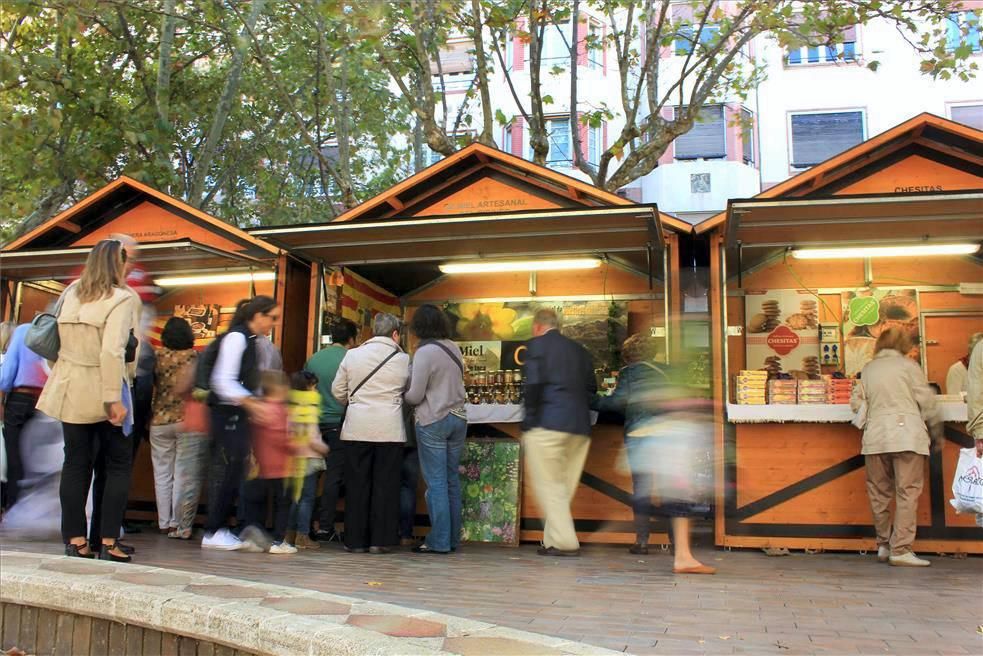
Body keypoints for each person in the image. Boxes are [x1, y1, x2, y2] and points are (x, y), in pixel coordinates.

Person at [36, 239, 140, 562]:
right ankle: (109, 541)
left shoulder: (70, 294)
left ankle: (76, 541)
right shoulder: (120, 298)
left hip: (69, 387)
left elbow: (51, 342)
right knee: (118, 465)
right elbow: (112, 351)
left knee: (75, 464)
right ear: (117, 264)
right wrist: (114, 399)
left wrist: (63, 373)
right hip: (104, 387)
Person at [593, 334, 715, 574]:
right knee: (672, 490)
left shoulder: (630, 372)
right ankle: (675, 545)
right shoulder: (668, 371)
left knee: (642, 488)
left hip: (642, 436)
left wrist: (588, 399)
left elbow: (615, 403)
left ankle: (641, 541)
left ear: (628, 355)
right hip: (671, 436)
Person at [851, 326, 941, 567]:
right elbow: (927, 401)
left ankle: (883, 544)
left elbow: (856, 402)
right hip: (908, 436)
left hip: (875, 438)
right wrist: (937, 430)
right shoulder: (909, 366)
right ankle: (900, 549)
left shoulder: (868, 369)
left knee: (878, 493)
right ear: (904, 345)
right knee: (907, 492)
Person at [201, 295, 280, 551]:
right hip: (226, 412)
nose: (274, 323)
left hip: (237, 412)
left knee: (237, 468)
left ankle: (219, 528)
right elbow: (223, 379)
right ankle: (214, 530)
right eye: (272, 318)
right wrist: (251, 403)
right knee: (232, 468)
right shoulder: (237, 338)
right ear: (258, 315)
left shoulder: (250, 341)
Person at [332, 312, 409, 554]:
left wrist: (355, 401)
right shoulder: (404, 359)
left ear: (373, 331)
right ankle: (381, 540)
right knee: (385, 486)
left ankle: (355, 540)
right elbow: (410, 392)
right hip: (390, 429)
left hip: (357, 427)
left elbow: (337, 391)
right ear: (395, 334)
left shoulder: (352, 355)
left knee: (357, 485)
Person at [521, 309, 596, 557]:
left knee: (549, 487)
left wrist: (529, 420)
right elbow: (591, 389)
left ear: (537, 327)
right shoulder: (580, 351)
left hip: (548, 424)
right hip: (579, 427)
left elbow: (532, 385)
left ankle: (565, 543)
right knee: (562, 488)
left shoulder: (536, 346)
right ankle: (552, 540)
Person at [404, 304, 468, 554]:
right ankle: (452, 538)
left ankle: (439, 541)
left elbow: (415, 395)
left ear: (418, 327)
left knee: (437, 483)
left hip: (434, 420)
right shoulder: (453, 347)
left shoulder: (425, 352)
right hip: (458, 418)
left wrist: (403, 393)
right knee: (452, 480)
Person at [148, 317, 204, 538]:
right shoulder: (194, 357)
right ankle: (177, 523)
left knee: (162, 474)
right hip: (185, 420)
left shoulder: (156, 356)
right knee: (183, 473)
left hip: (159, 420)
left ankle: (163, 523)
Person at [305, 318, 358, 541]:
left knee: (310, 477)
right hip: (338, 423)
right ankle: (326, 527)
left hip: (315, 423)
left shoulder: (314, 358)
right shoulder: (351, 358)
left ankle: (302, 526)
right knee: (334, 477)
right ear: (352, 338)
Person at [243, 371, 296, 554]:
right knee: (283, 504)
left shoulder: (258, 408)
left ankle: (253, 536)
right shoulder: (282, 410)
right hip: (282, 466)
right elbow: (286, 438)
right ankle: (278, 541)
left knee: (256, 502)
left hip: (260, 465)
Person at [0, 320, 49, 510]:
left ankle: (13, 505)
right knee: (36, 456)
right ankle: (32, 506)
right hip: (43, 401)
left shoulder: (22, 331)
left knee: (14, 454)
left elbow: (7, 374)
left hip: (19, 397)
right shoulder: (57, 333)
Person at [285, 371, 328, 550]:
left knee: (296, 497)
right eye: (314, 386)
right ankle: (302, 535)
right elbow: (311, 437)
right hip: (308, 458)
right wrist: (324, 449)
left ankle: (289, 533)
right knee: (307, 498)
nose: (316, 390)